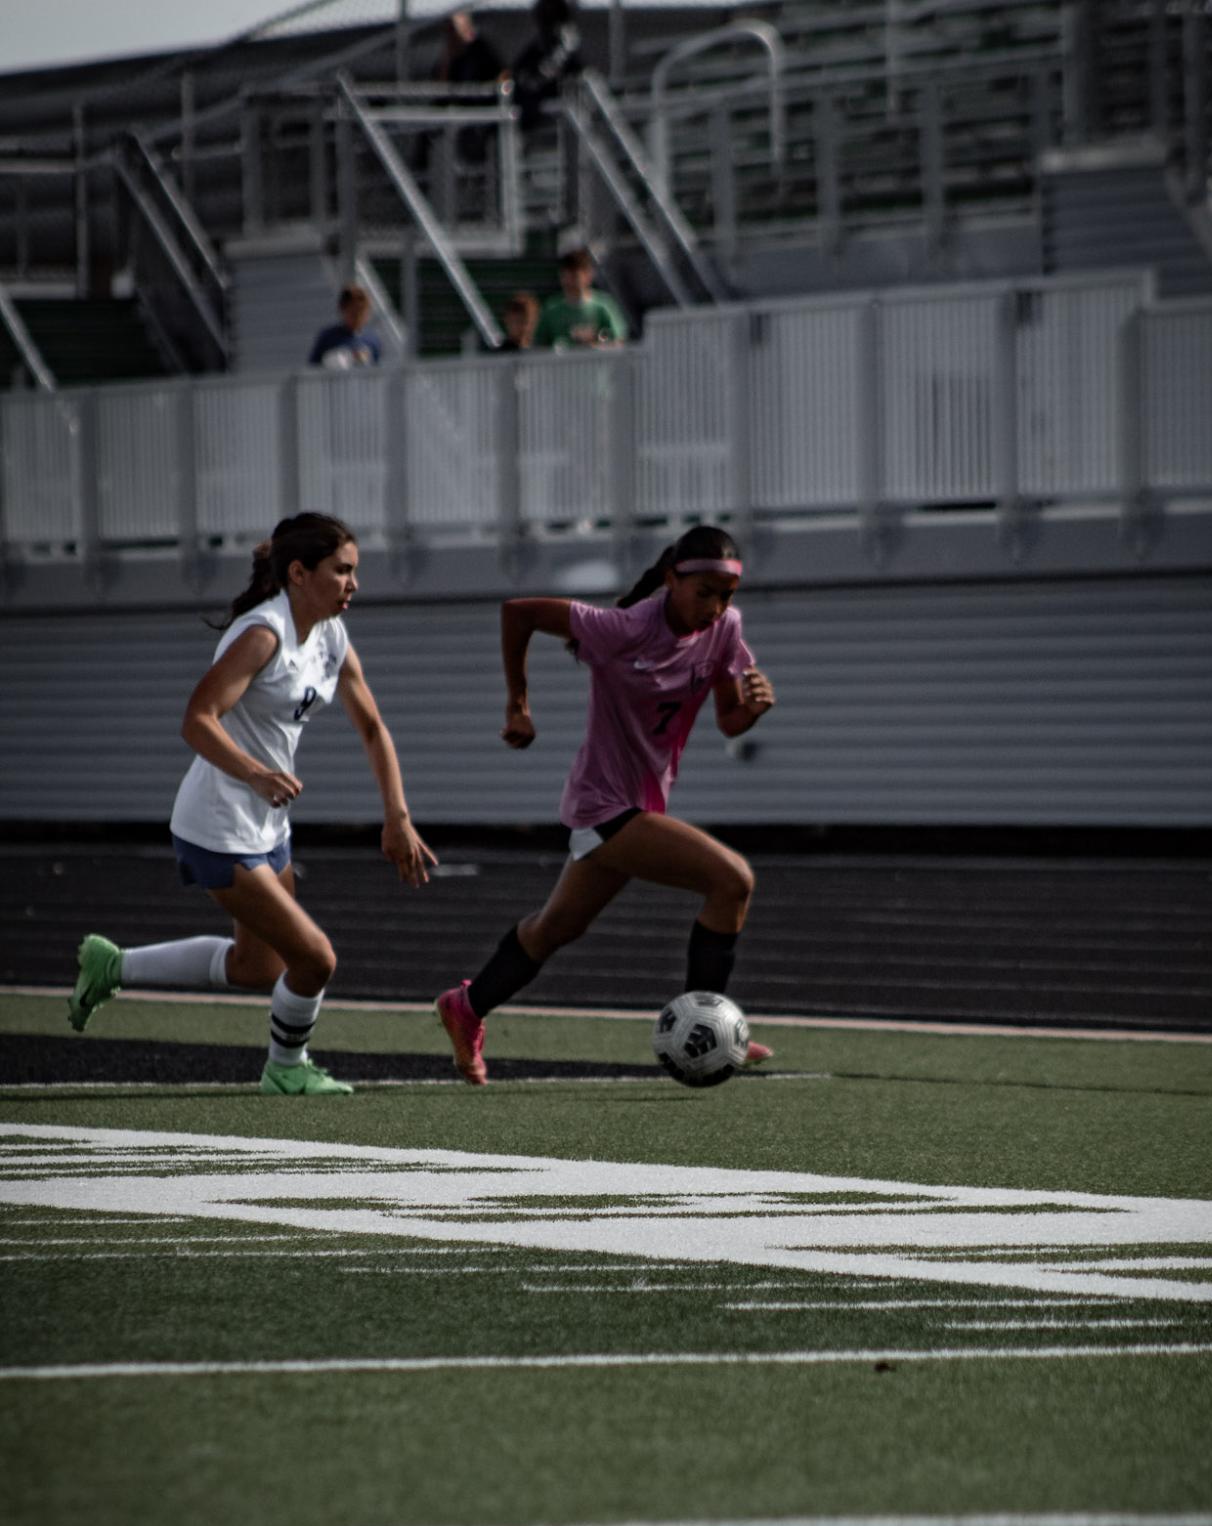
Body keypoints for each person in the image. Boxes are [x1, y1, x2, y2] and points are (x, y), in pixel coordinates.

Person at [68, 513, 437, 1096]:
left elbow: (372, 727)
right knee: (315, 959)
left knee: (259, 967)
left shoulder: (330, 637)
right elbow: (196, 721)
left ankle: (113, 967)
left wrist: (398, 817)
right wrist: (257, 773)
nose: (353, 584)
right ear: (299, 573)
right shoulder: (262, 636)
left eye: (354, 571)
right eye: (342, 570)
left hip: (266, 824)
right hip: (216, 825)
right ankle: (286, 1068)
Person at [435, 524, 775, 1084]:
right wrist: (518, 705)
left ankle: (464, 1007)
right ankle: (707, 1028)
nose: (716, 607)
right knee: (731, 880)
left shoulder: (724, 631)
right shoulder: (623, 628)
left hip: (641, 807)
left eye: (727, 595)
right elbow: (518, 612)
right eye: (704, 593)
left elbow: (729, 718)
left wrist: (753, 711)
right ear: (671, 580)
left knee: (553, 930)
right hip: (603, 805)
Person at [435, 9, 506, 168]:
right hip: (462, 118)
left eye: (454, 30)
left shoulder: (481, 49)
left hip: (483, 115)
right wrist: (448, 57)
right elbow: (442, 90)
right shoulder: (453, 58)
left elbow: (501, 75)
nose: (451, 36)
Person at [534, 246, 628, 350]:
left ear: (588, 275)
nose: (570, 281)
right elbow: (539, 346)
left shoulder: (603, 306)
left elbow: (618, 340)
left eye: (575, 276)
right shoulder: (551, 309)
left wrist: (594, 341)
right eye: (566, 275)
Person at [512, 0, 582, 134]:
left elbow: (567, 68)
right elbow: (520, 70)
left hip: (560, 93)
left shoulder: (565, 47)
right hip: (536, 96)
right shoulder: (537, 49)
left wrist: (564, 50)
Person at [308, 287, 381, 370]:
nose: (358, 318)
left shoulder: (372, 340)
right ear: (342, 309)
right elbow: (312, 369)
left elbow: (376, 373)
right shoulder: (327, 337)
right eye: (353, 313)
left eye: (362, 313)